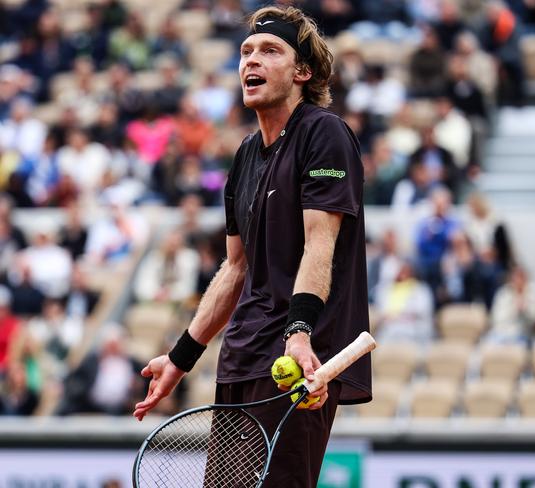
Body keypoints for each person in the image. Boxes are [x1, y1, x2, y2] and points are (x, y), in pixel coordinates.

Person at [133, 6, 371, 487]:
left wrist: (300, 333)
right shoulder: (244, 155)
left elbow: (319, 245)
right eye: (246, 52)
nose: (251, 61)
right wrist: (180, 359)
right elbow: (234, 269)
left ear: (303, 72)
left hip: (297, 365)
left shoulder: (324, 134)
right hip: (240, 358)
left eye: (270, 51)